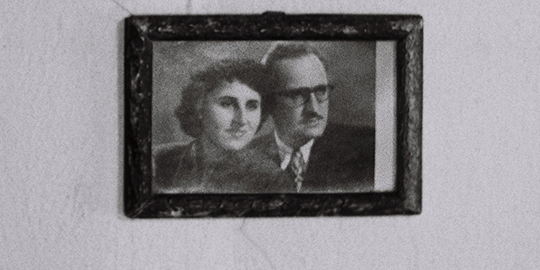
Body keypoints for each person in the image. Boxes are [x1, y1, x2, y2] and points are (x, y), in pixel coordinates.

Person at [249, 43, 375, 193]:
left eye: (321, 90)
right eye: (297, 95)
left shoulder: (368, 151)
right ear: (268, 101)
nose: (314, 109)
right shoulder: (244, 159)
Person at [153, 60, 272, 193]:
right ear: (199, 108)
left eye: (252, 106)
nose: (242, 120)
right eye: (226, 104)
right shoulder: (157, 162)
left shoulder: (271, 178)